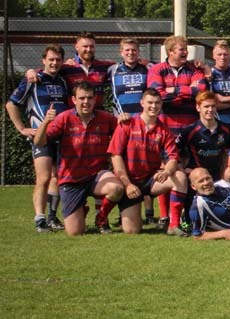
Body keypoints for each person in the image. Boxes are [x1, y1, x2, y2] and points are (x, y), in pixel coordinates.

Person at [33, 81, 123, 237]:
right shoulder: (63, 118)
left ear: (95, 99)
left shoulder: (106, 118)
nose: (86, 102)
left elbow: (124, 134)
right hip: (71, 180)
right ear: (74, 100)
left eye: (89, 98)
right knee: (75, 232)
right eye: (82, 98)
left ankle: (101, 217)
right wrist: (46, 122)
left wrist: (124, 120)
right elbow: (39, 142)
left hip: (97, 176)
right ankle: (81, 207)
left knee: (116, 188)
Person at [108, 89, 189, 235]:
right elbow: (115, 156)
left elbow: (173, 158)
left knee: (180, 177)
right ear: (142, 103)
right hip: (130, 182)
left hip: (150, 180)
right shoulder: (127, 124)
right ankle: (103, 216)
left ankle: (173, 225)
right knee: (132, 231)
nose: (153, 106)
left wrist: (167, 171)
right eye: (150, 102)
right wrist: (127, 184)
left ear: (161, 104)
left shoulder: (164, 130)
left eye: (157, 103)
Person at [6, 44, 69, 232]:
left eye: (58, 59)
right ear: (43, 60)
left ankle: (52, 217)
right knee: (43, 177)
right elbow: (11, 104)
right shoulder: (33, 79)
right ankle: (39, 219)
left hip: (61, 136)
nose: (54, 63)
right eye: (51, 59)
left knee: (57, 177)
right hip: (41, 136)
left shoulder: (63, 81)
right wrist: (21, 128)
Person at [108, 38, 157, 224]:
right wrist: (74, 62)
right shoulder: (112, 70)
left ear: (138, 52)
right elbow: (91, 73)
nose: (130, 53)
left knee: (147, 165)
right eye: (127, 50)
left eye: (134, 50)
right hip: (124, 124)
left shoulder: (148, 68)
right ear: (121, 52)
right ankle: (123, 212)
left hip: (145, 123)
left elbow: (167, 66)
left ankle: (150, 213)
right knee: (124, 166)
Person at [147, 35, 209, 134]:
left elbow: (201, 92)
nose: (186, 52)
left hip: (191, 126)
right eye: (182, 49)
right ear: (170, 51)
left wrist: (174, 90)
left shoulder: (195, 69)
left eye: (186, 49)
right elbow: (157, 96)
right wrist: (188, 93)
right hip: (165, 126)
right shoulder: (156, 69)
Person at [177, 91, 230, 179]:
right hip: (197, 176)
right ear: (198, 107)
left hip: (218, 174)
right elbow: (174, 152)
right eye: (206, 106)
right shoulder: (189, 130)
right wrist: (182, 170)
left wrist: (223, 174)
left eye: (213, 106)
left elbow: (227, 154)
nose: (210, 110)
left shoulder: (226, 129)